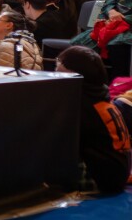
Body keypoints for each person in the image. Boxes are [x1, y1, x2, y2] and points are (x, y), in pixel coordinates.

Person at [55, 46, 131, 194]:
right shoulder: (98, 94)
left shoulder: (80, 105)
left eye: (59, 70)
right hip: (118, 173)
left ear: (74, 74)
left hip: (102, 180)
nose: (55, 75)